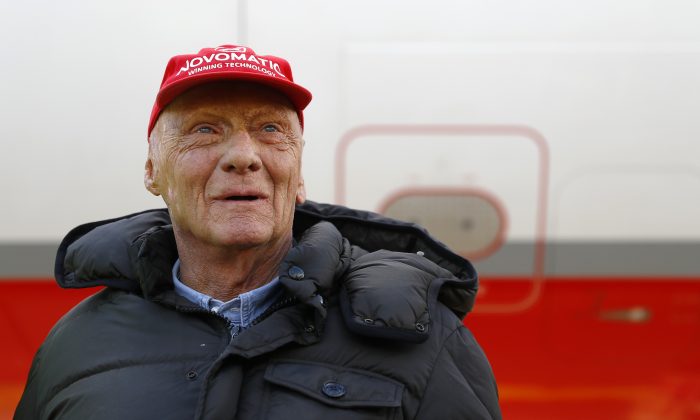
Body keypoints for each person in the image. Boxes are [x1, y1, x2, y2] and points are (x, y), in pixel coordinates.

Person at [15, 44, 501, 420]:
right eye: (204, 130)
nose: (243, 155)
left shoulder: (428, 341)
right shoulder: (76, 345)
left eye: (270, 129)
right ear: (152, 171)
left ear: (299, 173)